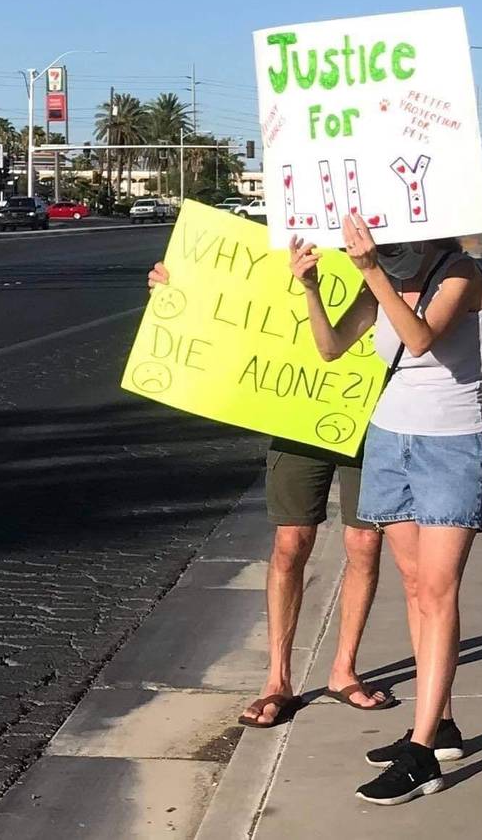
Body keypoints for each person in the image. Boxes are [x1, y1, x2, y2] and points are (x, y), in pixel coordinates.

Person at [289, 213, 482, 806]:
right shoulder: (377, 277)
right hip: (389, 440)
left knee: (438, 590)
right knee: (412, 585)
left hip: (449, 446)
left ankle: (423, 754)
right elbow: (331, 348)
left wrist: (373, 270)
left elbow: (420, 337)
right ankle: (443, 723)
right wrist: (309, 286)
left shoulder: (460, 272)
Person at [146, 262, 395, 727]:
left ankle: (344, 670)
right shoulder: (293, 241)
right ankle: (277, 680)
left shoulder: (390, 252)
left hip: (372, 414)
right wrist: (179, 289)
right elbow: (246, 302)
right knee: (289, 544)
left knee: (365, 543)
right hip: (299, 412)